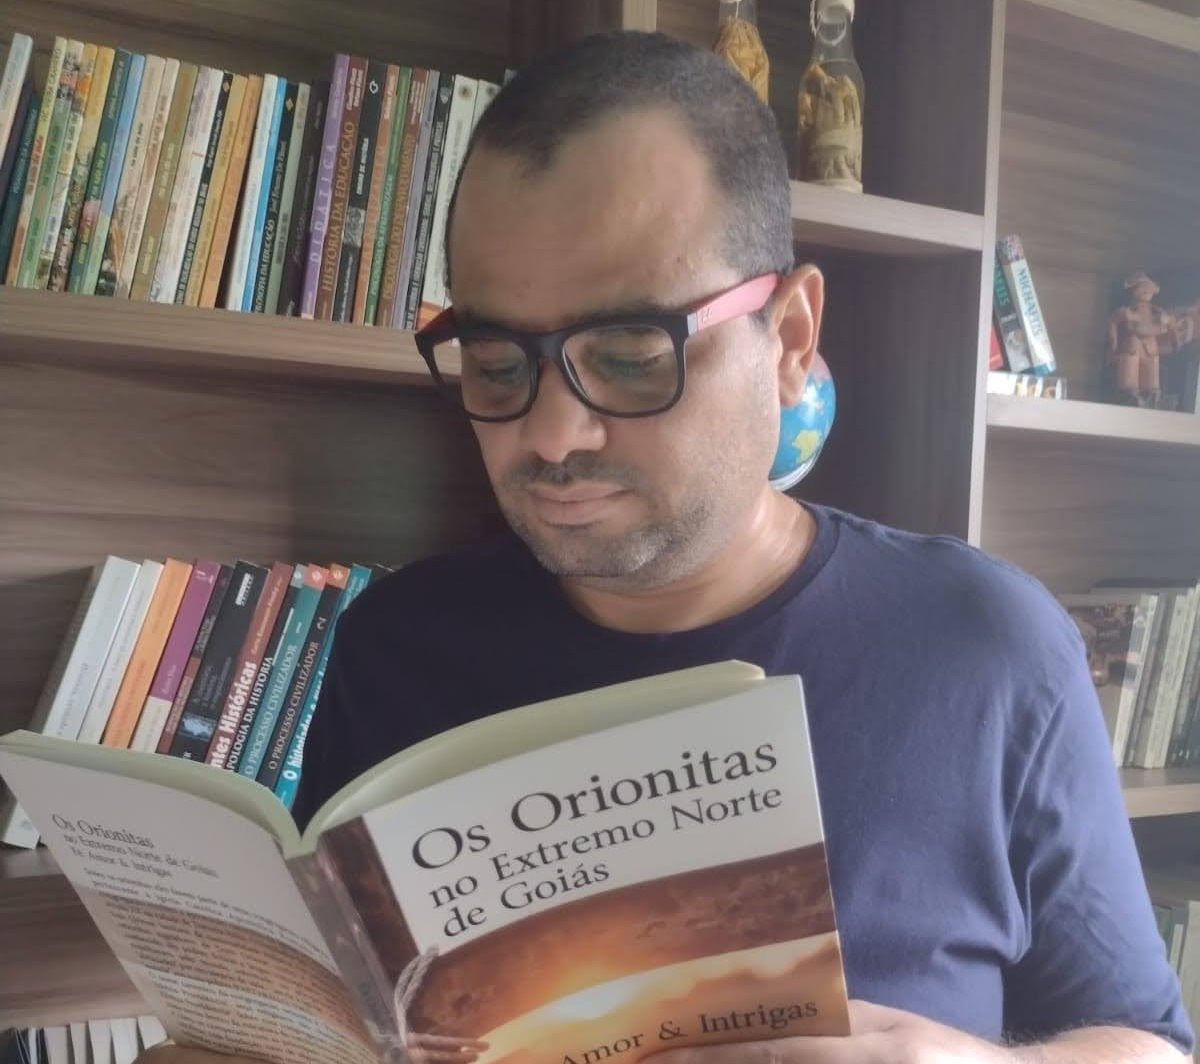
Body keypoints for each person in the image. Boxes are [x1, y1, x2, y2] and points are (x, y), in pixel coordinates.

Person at [140, 29, 1192, 1064]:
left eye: (632, 356)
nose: (553, 434)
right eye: (497, 363)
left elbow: (1150, 1041)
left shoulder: (988, 646)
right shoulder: (396, 646)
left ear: (790, 338)